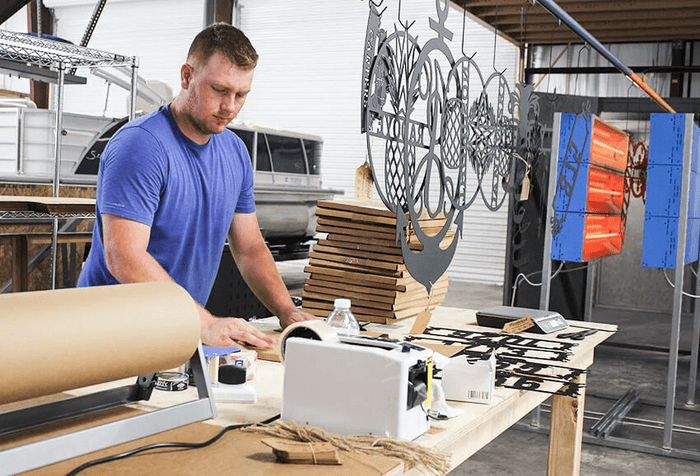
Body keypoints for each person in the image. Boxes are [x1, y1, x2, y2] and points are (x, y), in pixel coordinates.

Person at [77, 23, 316, 349]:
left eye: (241, 95)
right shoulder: (141, 146)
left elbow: (248, 248)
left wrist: (287, 311)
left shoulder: (234, 152)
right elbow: (124, 257)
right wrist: (203, 323)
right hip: (107, 335)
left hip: (172, 330)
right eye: (219, 90)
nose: (230, 106)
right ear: (187, 76)